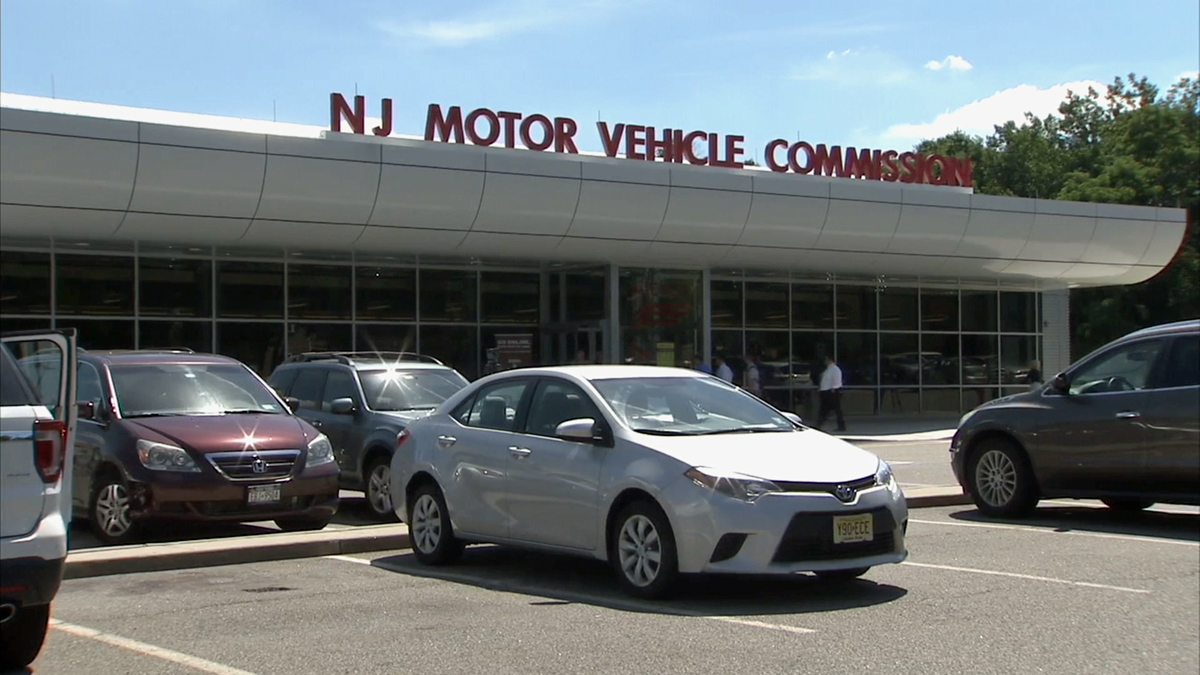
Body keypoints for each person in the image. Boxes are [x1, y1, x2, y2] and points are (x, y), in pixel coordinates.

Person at [817, 355, 846, 432]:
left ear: (830, 360)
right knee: (825, 410)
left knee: (836, 410)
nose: (825, 362)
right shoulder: (828, 370)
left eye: (826, 360)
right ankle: (819, 424)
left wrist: (833, 390)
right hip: (826, 392)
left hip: (831, 392)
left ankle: (841, 426)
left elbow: (837, 381)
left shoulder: (835, 370)